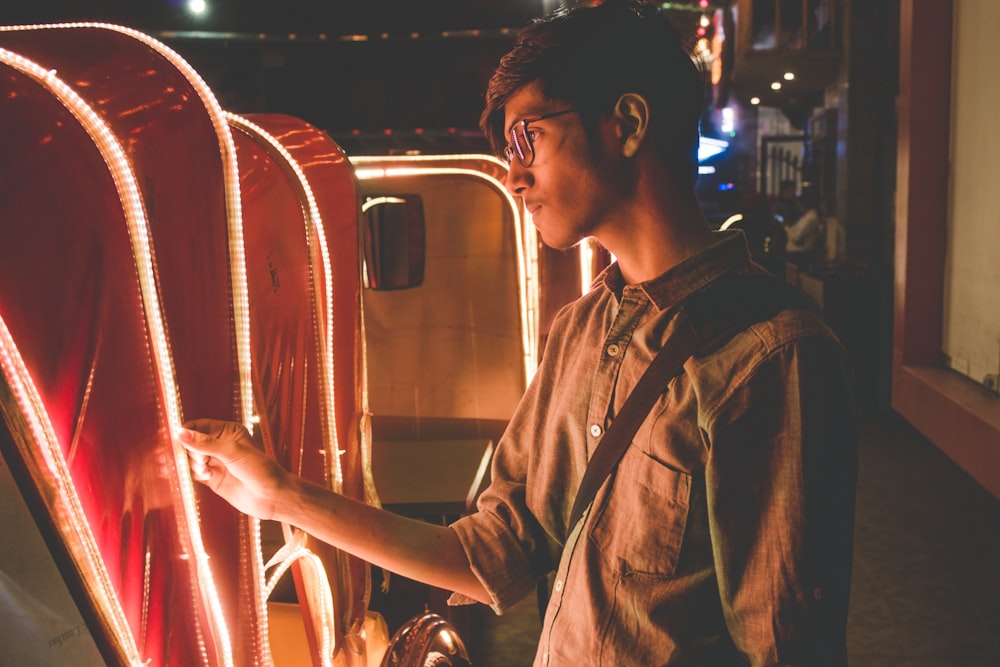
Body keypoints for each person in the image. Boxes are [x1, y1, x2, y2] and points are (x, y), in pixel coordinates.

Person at [179, 1, 859, 664]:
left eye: (526, 137)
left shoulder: (770, 354)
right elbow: (490, 552)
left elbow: (786, 644)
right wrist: (279, 495)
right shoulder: (580, 330)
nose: (513, 172)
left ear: (625, 122)